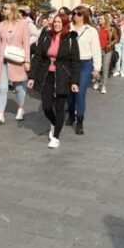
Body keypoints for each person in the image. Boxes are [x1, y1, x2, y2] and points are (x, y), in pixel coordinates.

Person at [28, 13, 80, 149]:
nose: (56, 24)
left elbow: (75, 62)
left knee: (60, 107)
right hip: (47, 75)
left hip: (63, 75)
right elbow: (38, 57)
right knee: (46, 106)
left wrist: (75, 82)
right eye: (55, 22)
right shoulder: (46, 36)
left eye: (59, 22)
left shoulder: (70, 38)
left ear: (64, 24)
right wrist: (32, 77)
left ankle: (56, 137)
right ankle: (54, 122)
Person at [0, 3, 31, 125]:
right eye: (3, 8)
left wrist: (27, 60)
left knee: (19, 87)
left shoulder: (23, 24)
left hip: (17, 59)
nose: (3, 10)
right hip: (3, 59)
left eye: (5, 8)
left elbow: (26, 43)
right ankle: (0, 114)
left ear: (12, 10)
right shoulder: (0, 25)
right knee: (2, 88)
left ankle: (20, 108)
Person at [66, 5, 102, 135]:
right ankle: (71, 114)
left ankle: (80, 121)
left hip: (85, 64)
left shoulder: (91, 30)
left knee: (80, 93)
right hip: (69, 63)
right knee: (70, 92)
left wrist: (97, 68)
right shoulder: (68, 28)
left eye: (78, 14)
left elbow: (96, 50)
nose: (75, 16)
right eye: (74, 13)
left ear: (84, 16)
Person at [97, 14, 119, 94]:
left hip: (107, 50)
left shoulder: (111, 29)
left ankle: (104, 86)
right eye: (99, 18)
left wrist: (110, 44)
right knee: (98, 67)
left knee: (105, 68)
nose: (99, 20)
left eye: (101, 18)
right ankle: (98, 81)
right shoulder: (97, 28)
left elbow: (116, 38)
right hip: (97, 50)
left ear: (105, 20)